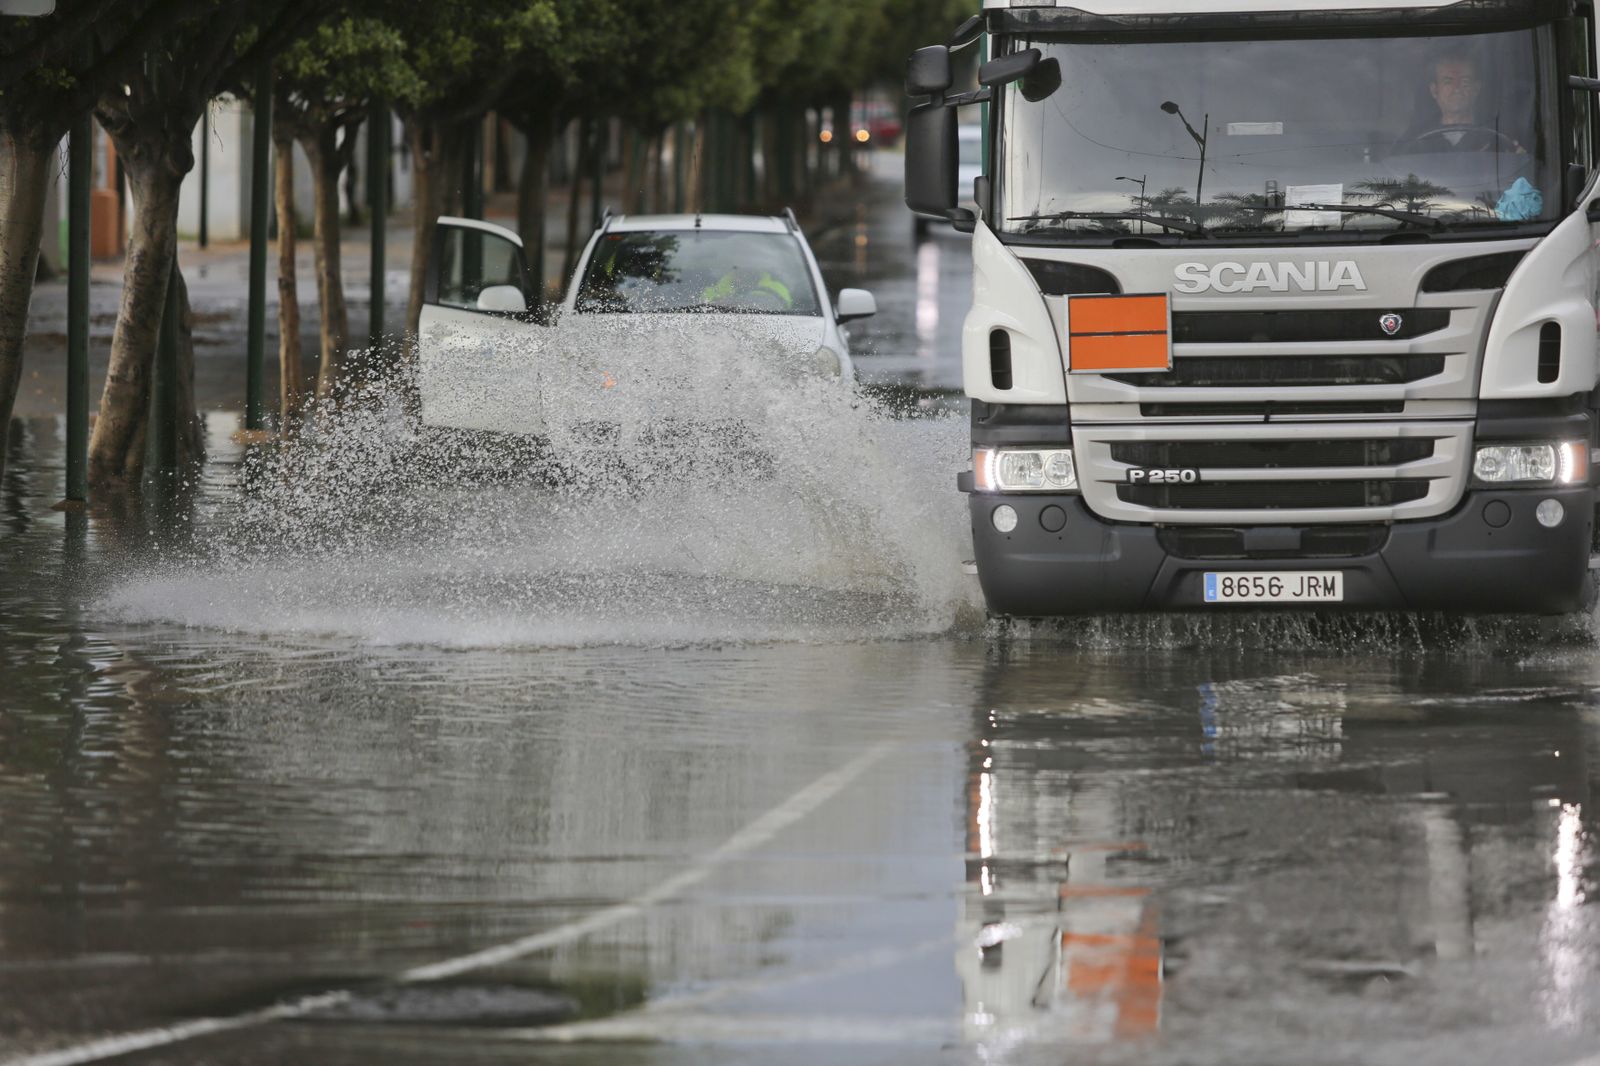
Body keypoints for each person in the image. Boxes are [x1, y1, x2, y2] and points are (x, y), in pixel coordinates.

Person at [1400, 50, 1521, 152]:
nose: (1457, 88)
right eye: (1448, 81)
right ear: (1434, 90)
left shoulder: (1498, 137)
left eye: (1465, 81)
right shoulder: (1414, 139)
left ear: (1476, 89)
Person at [699, 265, 793, 310]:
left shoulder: (776, 287)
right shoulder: (716, 289)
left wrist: (733, 302)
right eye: (738, 268)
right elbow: (701, 307)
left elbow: (775, 304)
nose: (743, 273)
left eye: (748, 270)